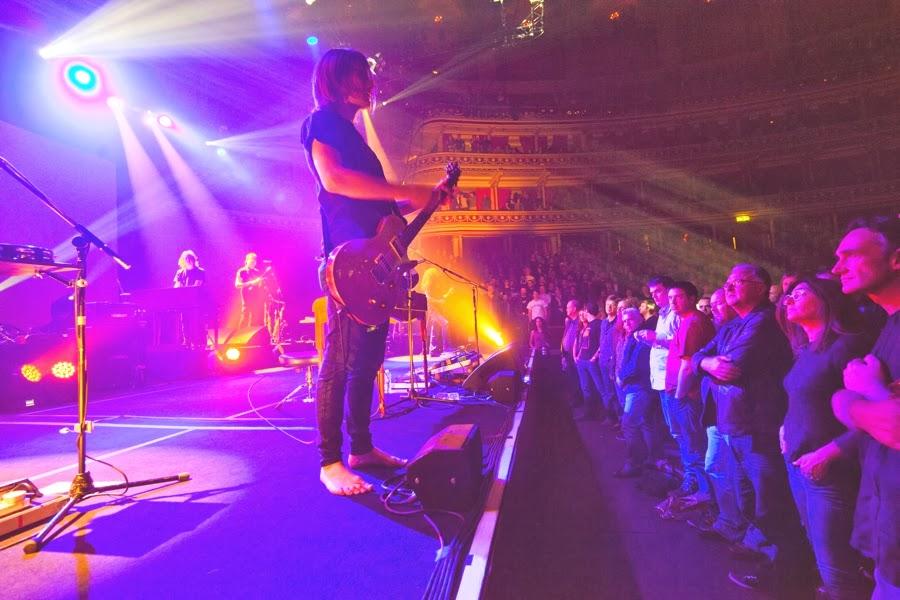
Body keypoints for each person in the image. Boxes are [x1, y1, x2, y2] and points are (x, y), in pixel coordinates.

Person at [300, 48, 436, 496]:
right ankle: (330, 461)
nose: (367, 82)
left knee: (367, 363)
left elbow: (376, 203)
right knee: (338, 364)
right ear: (334, 81)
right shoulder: (322, 123)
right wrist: (404, 189)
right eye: (357, 76)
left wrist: (419, 199)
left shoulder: (359, 138)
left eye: (367, 75)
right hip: (347, 260)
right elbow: (335, 181)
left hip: (375, 262)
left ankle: (360, 448)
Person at [693, 264, 805, 593]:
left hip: (759, 426)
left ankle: (788, 577)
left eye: (736, 282)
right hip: (737, 424)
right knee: (755, 500)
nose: (727, 288)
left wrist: (708, 363)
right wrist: (706, 361)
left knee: (772, 504)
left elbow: (734, 367)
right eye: (726, 281)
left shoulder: (765, 321)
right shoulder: (733, 325)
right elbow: (705, 355)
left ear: (759, 287)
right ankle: (776, 563)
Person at [778, 277, 874, 599]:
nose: (789, 299)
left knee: (838, 567)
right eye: (788, 295)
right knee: (824, 556)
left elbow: (874, 418)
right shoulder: (806, 348)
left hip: (830, 473)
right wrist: (785, 428)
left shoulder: (847, 346)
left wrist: (827, 454)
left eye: (800, 293)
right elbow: (805, 399)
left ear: (826, 299)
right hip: (801, 466)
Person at [830, 215, 899, 598]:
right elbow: (844, 400)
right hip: (888, 530)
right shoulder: (888, 325)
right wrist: (854, 397)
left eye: (851, 255)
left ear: (896, 259)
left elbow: (894, 427)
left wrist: (862, 392)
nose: (837, 267)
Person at [666, 280, 715, 505]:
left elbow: (687, 365)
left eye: (678, 297)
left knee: (694, 444)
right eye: (670, 298)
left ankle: (704, 493)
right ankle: (700, 488)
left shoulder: (692, 323)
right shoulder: (688, 321)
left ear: (692, 298)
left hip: (687, 395)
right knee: (692, 442)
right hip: (685, 393)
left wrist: (679, 395)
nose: (672, 302)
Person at [614, 307, 659, 477]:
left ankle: (634, 463)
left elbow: (638, 365)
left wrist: (621, 377)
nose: (626, 324)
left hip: (639, 387)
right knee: (647, 423)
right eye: (624, 321)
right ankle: (652, 459)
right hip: (636, 386)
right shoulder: (633, 335)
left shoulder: (641, 336)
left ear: (639, 318)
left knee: (629, 423)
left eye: (630, 320)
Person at [573, 303, 604, 421]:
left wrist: (594, 357)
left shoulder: (598, 324)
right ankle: (589, 412)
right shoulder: (586, 326)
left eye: (584, 311)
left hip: (591, 361)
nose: (582, 314)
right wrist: (578, 356)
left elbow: (602, 343)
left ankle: (604, 413)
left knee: (599, 387)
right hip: (582, 361)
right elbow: (582, 344)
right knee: (585, 387)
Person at [173, 250, 206, 348]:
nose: (188, 261)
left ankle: (198, 342)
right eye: (186, 259)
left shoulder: (200, 271)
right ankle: (186, 341)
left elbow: (196, 286)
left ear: (194, 260)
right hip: (184, 302)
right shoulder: (180, 272)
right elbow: (177, 286)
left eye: (190, 259)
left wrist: (184, 292)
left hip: (197, 301)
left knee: (196, 321)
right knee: (184, 321)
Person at [234, 252, 266, 328]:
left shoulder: (257, 271)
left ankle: (252, 337)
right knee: (245, 315)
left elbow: (260, 286)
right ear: (246, 261)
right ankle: (240, 335)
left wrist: (260, 283)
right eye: (251, 262)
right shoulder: (242, 271)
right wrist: (251, 283)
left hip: (256, 297)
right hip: (246, 297)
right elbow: (237, 285)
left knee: (255, 317)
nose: (253, 263)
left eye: (254, 262)